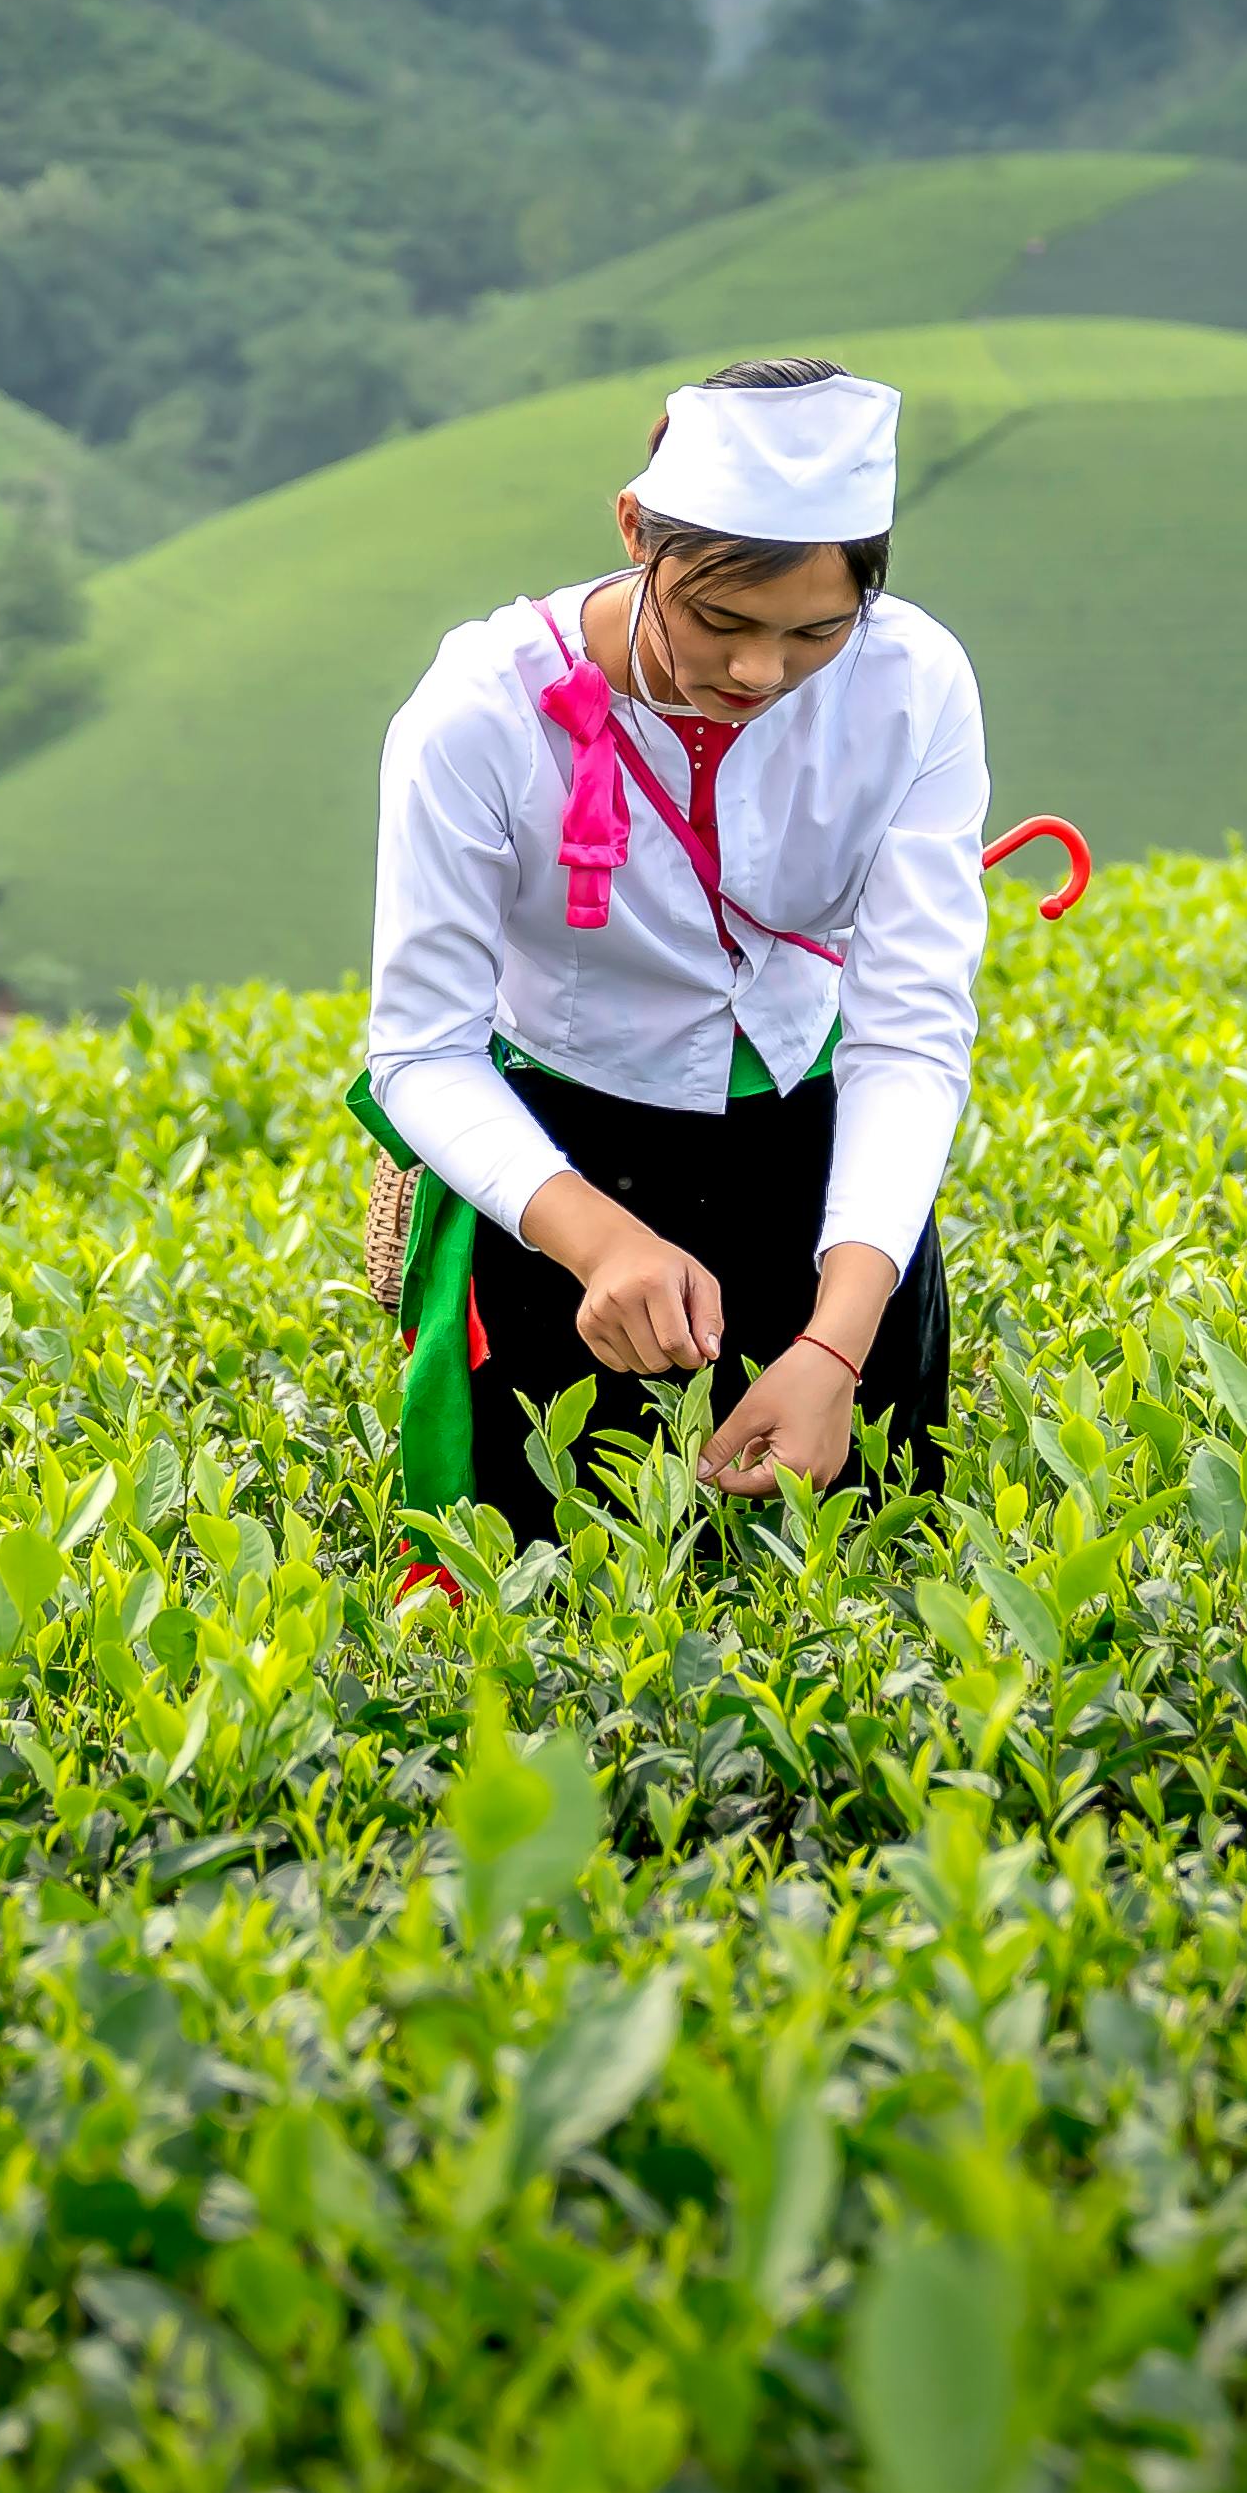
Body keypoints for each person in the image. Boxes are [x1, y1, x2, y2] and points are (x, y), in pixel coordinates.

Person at [352, 358, 990, 1586]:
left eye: (815, 630)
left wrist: (839, 1346)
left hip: (825, 1174)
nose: (760, 672)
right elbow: (422, 1049)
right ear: (635, 529)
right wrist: (599, 1245)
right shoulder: (481, 713)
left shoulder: (913, 687)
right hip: (565, 1173)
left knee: (858, 1592)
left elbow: (907, 1036)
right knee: (566, 1593)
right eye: (721, 620)